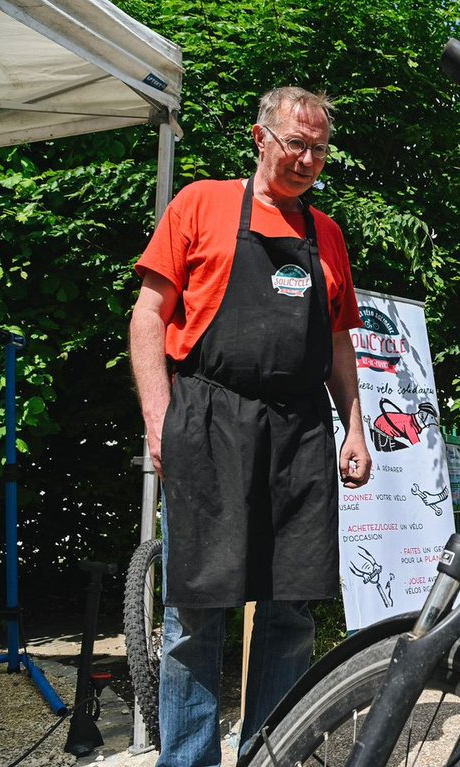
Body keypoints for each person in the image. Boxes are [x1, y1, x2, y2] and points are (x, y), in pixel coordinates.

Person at [129, 86, 372, 765]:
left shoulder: (326, 234)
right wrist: (159, 417)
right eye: (295, 142)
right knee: (196, 614)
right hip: (208, 418)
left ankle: (271, 753)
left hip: (299, 431)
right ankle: (190, 759)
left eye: (319, 148)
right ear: (259, 137)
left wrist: (354, 425)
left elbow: (340, 342)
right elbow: (149, 315)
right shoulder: (200, 204)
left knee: (291, 611)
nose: (307, 158)